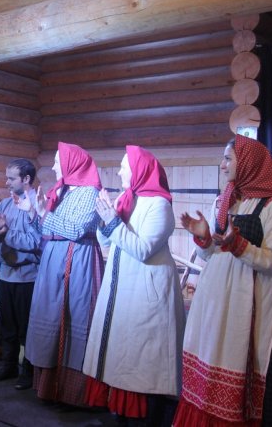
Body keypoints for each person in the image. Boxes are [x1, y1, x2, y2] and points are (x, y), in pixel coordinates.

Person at [174, 135, 272, 426]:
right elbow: (213, 256)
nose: (222, 165)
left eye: (228, 159)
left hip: (247, 298)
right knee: (210, 355)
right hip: (216, 296)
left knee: (240, 360)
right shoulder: (228, 199)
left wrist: (238, 245)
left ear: (247, 162)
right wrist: (204, 238)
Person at [83, 145, 184, 424]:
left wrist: (112, 221)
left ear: (140, 170)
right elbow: (106, 241)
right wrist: (104, 219)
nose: (119, 172)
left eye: (124, 166)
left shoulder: (160, 205)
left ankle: (148, 418)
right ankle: (124, 417)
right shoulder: (126, 198)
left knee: (145, 360)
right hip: (122, 287)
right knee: (124, 356)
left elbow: (143, 249)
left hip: (147, 290)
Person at [24, 141, 103, 407]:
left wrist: (43, 213)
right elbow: (48, 229)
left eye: (59, 161)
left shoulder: (90, 192)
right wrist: (35, 213)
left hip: (75, 259)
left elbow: (76, 230)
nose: (55, 166)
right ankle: (48, 387)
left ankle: (71, 392)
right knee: (49, 317)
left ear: (73, 164)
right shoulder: (64, 189)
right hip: (55, 258)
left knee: (71, 316)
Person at [0, 158, 42, 389]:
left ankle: (28, 370)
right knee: (6, 324)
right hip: (6, 274)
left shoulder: (38, 205)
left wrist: (6, 233)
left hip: (28, 276)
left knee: (26, 327)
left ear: (26, 179)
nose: (6, 182)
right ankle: (8, 365)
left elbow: (35, 241)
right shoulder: (5, 204)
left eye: (11, 178)